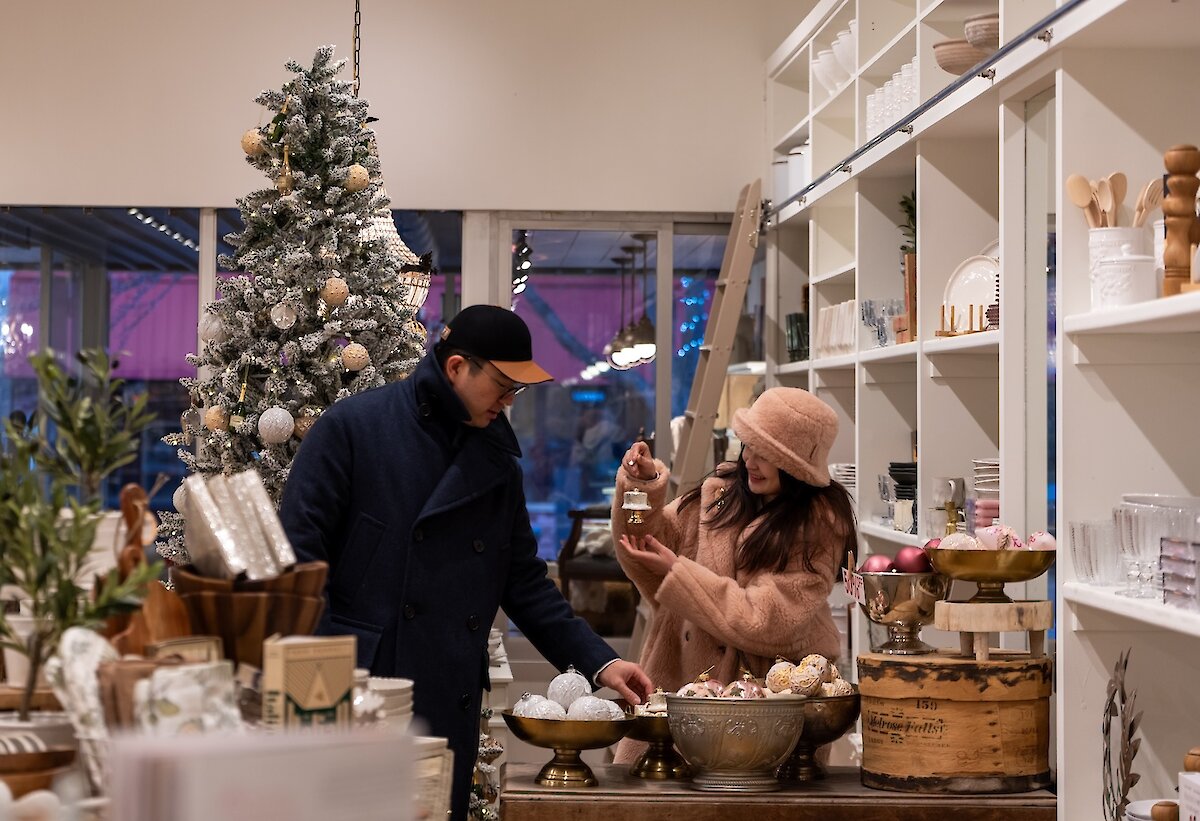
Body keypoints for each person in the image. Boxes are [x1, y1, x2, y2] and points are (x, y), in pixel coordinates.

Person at [280, 304, 652, 821]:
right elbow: (298, 562)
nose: (509, 401)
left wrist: (602, 662)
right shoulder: (353, 428)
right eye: (502, 385)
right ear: (457, 367)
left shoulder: (498, 461)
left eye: (517, 390)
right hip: (362, 687)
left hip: (443, 686)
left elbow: (524, 581)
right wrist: (320, 681)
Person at [610, 387, 855, 763]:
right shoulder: (719, 497)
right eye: (748, 446)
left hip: (765, 719)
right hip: (680, 690)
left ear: (794, 464)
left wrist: (677, 572)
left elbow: (766, 619)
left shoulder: (818, 528)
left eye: (767, 453)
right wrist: (641, 487)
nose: (751, 460)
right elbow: (644, 548)